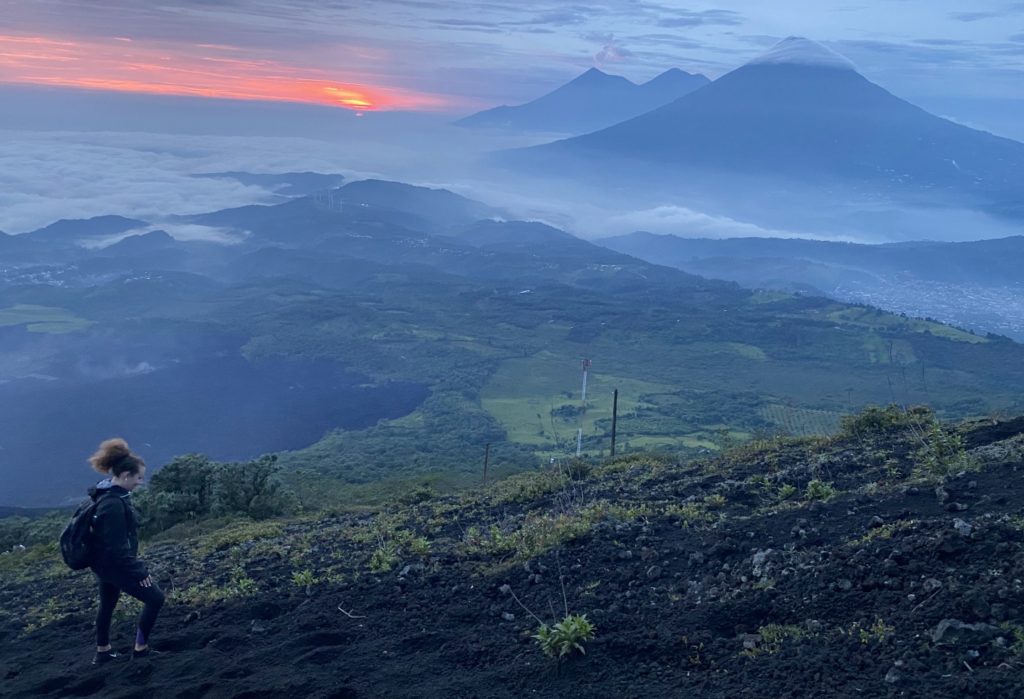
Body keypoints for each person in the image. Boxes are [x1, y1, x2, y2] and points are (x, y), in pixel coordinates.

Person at [86, 438, 165, 664]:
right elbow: (117, 548)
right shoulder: (113, 505)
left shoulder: (106, 495)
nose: (141, 482)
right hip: (115, 565)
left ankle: (103, 651)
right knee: (155, 599)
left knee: (107, 604)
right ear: (125, 476)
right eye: (139, 477)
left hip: (103, 565)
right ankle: (141, 648)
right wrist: (141, 573)